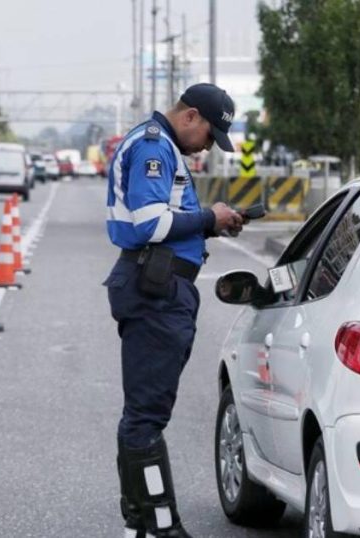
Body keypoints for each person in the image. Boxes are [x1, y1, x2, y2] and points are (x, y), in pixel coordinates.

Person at [104, 83, 247, 537]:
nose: (208, 145)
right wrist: (210, 218)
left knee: (140, 416)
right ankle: (162, 527)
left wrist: (213, 223)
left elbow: (166, 221)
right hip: (156, 293)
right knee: (146, 420)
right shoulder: (154, 148)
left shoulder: (161, 145)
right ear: (189, 116)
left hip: (160, 288)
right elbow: (151, 224)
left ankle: (140, 522)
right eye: (209, 135)